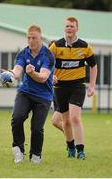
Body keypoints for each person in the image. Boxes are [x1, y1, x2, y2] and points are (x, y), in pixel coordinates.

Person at [0, 25, 55, 164]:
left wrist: (32, 73)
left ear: (40, 38)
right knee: (17, 118)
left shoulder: (48, 55)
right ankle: (18, 150)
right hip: (25, 92)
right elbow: (18, 70)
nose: (31, 40)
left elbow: (43, 77)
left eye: (34, 38)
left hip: (43, 96)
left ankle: (36, 155)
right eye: (28, 38)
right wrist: (10, 74)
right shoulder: (23, 53)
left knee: (36, 127)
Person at [49, 17, 97, 159]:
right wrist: (51, 76)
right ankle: (70, 147)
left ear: (77, 28)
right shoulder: (56, 46)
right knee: (66, 121)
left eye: (71, 26)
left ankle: (80, 150)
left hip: (77, 86)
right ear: (64, 28)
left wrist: (92, 86)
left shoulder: (85, 46)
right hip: (60, 87)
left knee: (75, 118)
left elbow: (93, 66)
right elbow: (47, 64)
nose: (69, 29)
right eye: (67, 26)